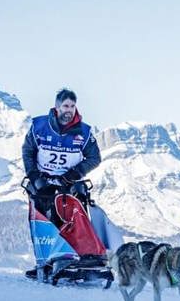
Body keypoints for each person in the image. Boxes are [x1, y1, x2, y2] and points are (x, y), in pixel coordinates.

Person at [22, 88, 122, 252]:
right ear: (57, 107)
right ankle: (45, 261)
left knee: (72, 220)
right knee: (42, 222)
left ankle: (76, 255)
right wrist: (34, 176)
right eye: (65, 106)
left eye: (72, 106)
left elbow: (94, 158)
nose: (69, 110)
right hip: (42, 184)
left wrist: (74, 174)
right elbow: (28, 152)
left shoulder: (84, 132)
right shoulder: (38, 127)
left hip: (68, 184)